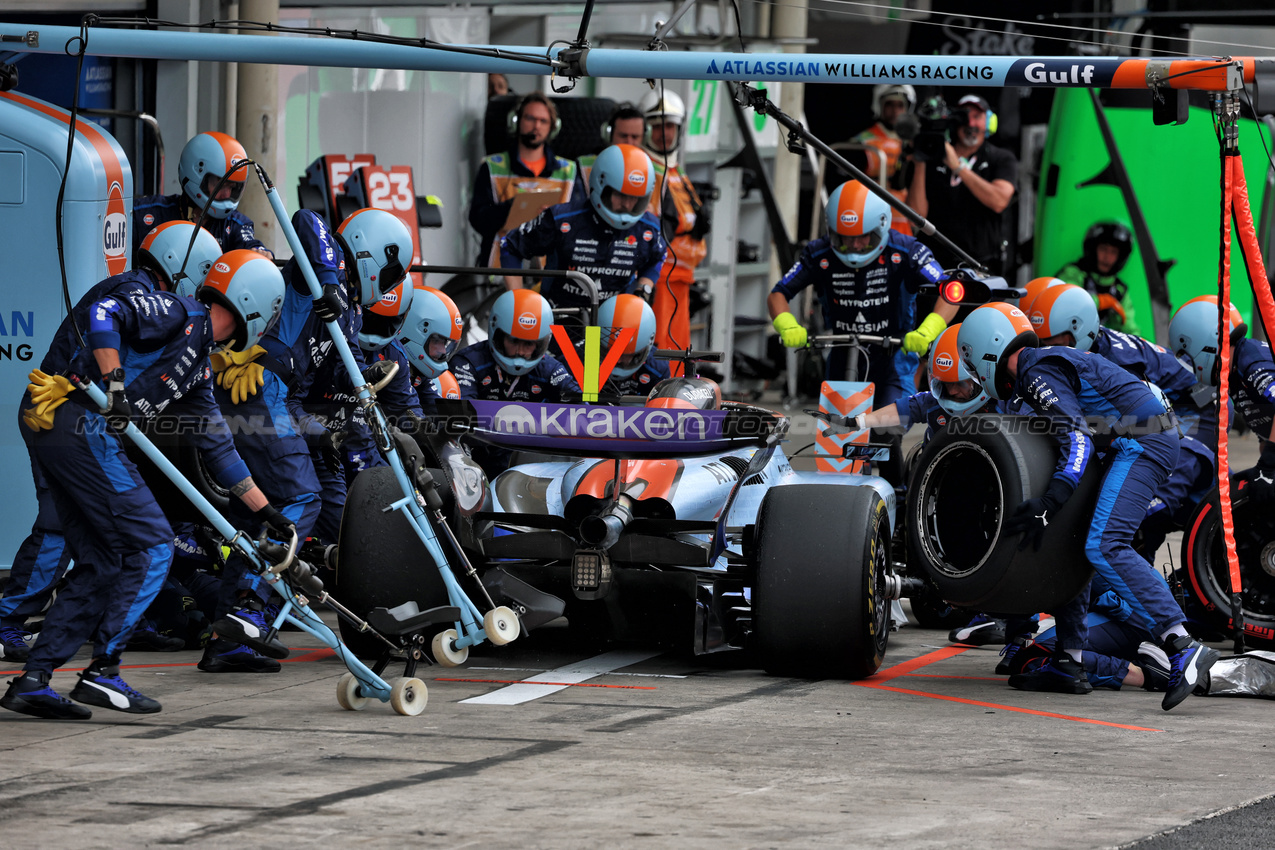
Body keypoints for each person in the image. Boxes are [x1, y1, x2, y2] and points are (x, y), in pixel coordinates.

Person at [0, 251, 288, 719]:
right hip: (78, 424)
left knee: (102, 561)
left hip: (70, 432)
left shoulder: (198, 368)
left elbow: (220, 449)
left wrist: (267, 513)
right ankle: (103, 671)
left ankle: (33, 681)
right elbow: (103, 312)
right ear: (256, 306)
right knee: (155, 547)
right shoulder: (180, 313)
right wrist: (114, 384)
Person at [956, 302, 1218, 711]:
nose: (974, 377)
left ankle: (1182, 644)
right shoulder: (1036, 370)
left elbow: (1076, 440)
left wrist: (1050, 501)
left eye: (971, 366)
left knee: (1105, 544)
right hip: (1131, 439)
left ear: (985, 351)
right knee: (1075, 544)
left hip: (1143, 441)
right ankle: (1069, 661)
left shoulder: (1035, 372)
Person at [0, 222, 224, 663]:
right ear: (183, 267)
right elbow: (108, 329)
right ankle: (8, 621)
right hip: (63, 411)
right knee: (59, 524)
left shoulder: (142, 292)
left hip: (83, 415)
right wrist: (119, 388)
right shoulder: (136, 292)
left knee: (95, 529)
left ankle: (103, 625)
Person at [202, 208, 408, 673]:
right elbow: (305, 217)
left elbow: (346, 366)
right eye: (392, 272)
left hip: (268, 399)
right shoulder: (314, 274)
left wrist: (353, 402)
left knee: (253, 517)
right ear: (374, 255)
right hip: (256, 384)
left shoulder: (349, 314)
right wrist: (331, 279)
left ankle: (227, 639)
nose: (391, 284)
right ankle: (249, 608)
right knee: (300, 498)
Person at [767, 180, 958, 484]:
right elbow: (779, 293)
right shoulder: (819, 253)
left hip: (895, 357)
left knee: (886, 430)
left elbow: (951, 290)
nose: (854, 246)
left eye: (864, 238)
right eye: (845, 238)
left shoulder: (906, 249)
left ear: (881, 228)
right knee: (837, 433)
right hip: (842, 356)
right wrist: (787, 324)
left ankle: (899, 492)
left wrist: (928, 330)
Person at [1026, 282, 1214, 446]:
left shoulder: (1117, 360)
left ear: (1078, 330)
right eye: (1043, 343)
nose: (1049, 350)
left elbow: (1141, 414)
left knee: (1156, 464)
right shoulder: (1096, 340)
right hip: (1181, 402)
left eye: (1056, 344)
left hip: (1202, 403)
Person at [499, 143, 667, 321]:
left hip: (609, 327)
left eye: (635, 198)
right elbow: (510, 245)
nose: (627, 205)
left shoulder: (650, 229)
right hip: (557, 322)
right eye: (620, 195)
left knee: (645, 344)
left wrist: (644, 287)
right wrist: (518, 304)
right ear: (601, 185)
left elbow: (658, 255)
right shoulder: (561, 219)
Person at [1169, 295, 1275, 499]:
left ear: (1204, 340)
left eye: (1187, 354)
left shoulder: (1252, 363)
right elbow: (1266, 433)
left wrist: (1268, 465)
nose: (1190, 364)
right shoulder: (1235, 370)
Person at [638, 90, 710, 370]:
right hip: (660, 279)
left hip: (680, 279)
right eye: (657, 126)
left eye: (669, 126)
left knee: (678, 351)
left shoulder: (674, 170)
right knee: (662, 352)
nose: (663, 133)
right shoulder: (648, 171)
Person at [909, 94, 1017, 274]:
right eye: (965, 116)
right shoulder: (931, 157)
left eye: (977, 117)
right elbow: (916, 216)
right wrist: (921, 159)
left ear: (990, 121)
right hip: (934, 264)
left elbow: (999, 201)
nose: (971, 124)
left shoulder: (1001, 158)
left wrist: (958, 166)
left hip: (982, 265)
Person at [469, 92, 580, 266]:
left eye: (543, 121)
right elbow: (478, 219)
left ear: (553, 127)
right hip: (499, 272)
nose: (536, 126)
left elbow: (580, 223)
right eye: (530, 118)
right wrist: (514, 208)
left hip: (551, 274)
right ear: (516, 121)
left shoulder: (569, 171)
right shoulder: (491, 167)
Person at [132, 132, 272, 260]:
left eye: (233, 187)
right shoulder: (147, 213)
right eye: (221, 184)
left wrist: (260, 254)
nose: (227, 194)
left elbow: (250, 246)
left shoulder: (236, 224)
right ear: (195, 174)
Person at [451, 289, 580, 404]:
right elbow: (460, 416)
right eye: (513, 341)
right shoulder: (466, 363)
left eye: (529, 343)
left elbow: (584, 412)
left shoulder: (551, 370)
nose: (520, 351)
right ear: (496, 334)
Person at [849, 84, 917, 236]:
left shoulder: (913, 143)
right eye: (890, 105)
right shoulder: (864, 140)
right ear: (879, 106)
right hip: (868, 220)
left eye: (900, 106)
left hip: (903, 225)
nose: (895, 111)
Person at [1056, 221, 1140, 334]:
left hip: (1097, 346)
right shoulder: (1074, 272)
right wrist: (1100, 301)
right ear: (1093, 249)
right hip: (1064, 337)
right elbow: (1065, 302)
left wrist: (1141, 345)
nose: (1107, 257)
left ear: (1121, 256)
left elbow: (1130, 328)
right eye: (1103, 249)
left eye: (1113, 252)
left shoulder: (1120, 290)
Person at [593, 293, 670, 397]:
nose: (617, 360)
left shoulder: (657, 370)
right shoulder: (579, 356)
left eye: (624, 354)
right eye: (608, 351)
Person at [578, 102, 646, 186]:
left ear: (644, 138)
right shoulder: (583, 168)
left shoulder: (657, 174)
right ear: (608, 135)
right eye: (623, 136)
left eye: (635, 137)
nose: (629, 142)